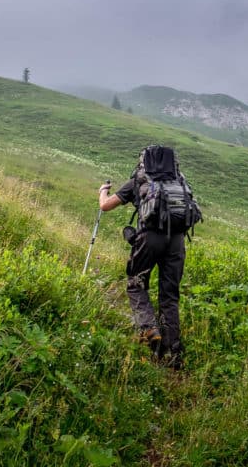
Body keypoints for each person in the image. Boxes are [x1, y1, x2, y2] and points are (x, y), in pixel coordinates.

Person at [98, 147, 188, 369]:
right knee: (170, 296)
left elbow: (105, 206)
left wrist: (102, 191)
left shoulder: (139, 181)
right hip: (176, 241)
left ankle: (148, 329)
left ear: (144, 162)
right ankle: (172, 355)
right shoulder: (179, 183)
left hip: (149, 238)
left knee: (136, 284)